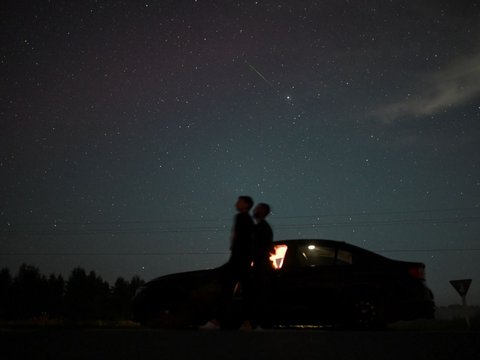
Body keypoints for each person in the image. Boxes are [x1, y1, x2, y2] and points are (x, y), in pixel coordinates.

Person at [200, 196, 255, 330]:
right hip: (245, 260)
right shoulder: (249, 220)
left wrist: (234, 253)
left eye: (239, 201)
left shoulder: (241, 217)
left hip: (238, 260)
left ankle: (215, 321)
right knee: (246, 293)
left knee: (226, 289)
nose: (236, 203)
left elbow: (238, 238)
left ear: (246, 205)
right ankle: (248, 323)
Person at [250, 203, 273, 328]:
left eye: (257, 208)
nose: (254, 210)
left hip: (261, 266)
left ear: (263, 211)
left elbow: (259, 248)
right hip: (261, 265)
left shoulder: (262, 228)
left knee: (258, 295)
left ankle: (257, 323)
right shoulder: (263, 227)